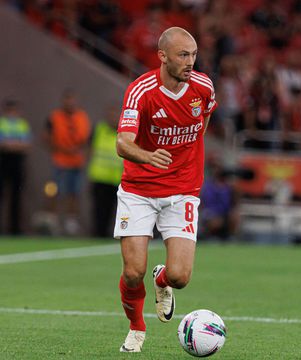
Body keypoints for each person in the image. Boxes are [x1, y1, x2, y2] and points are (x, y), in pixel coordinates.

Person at [115, 27, 217, 353]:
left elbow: (204, 119)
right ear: (162, 57)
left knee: (181, 277)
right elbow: (122, 142)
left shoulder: (202, 87)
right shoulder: (141, 91)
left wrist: (187, 160)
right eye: (182, 56)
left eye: (193, 55)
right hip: (139, 190)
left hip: (183, 190)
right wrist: (148, 157)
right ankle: (136, 328)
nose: (190, 62)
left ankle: (163, 281)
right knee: (133, 272)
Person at [43, 89, 91, 235]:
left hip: (76, 162)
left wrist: (78, 151)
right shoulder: (54, 117)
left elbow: (87, 139)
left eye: (72, 100)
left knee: (74, 192)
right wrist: (58, 149)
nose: (69, 103)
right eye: (67, 100)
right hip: (59, 161)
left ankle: (71, 222)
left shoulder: (82, 117)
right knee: (54, 190)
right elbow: (46, 136)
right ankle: (52, 219)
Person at [87, 104, 123, 237]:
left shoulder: (124, 132)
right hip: (100, 177)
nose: (113, 118)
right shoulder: (99, 129)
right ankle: (98, 234)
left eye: (115, 115)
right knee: (99, 209)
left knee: (116, 210)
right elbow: (89, 150)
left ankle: (112, 234)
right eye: (111, 114)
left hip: (117, 178)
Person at [0, 99, 31, 234]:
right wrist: (15, 145)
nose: (12, 113)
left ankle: (15, 229)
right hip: (2, 162)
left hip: (17, 163)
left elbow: (27, 145)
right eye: (10, 110)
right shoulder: (2, 124)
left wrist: (9, 144)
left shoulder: (22, 125)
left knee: (16, 196)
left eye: (14, 110)